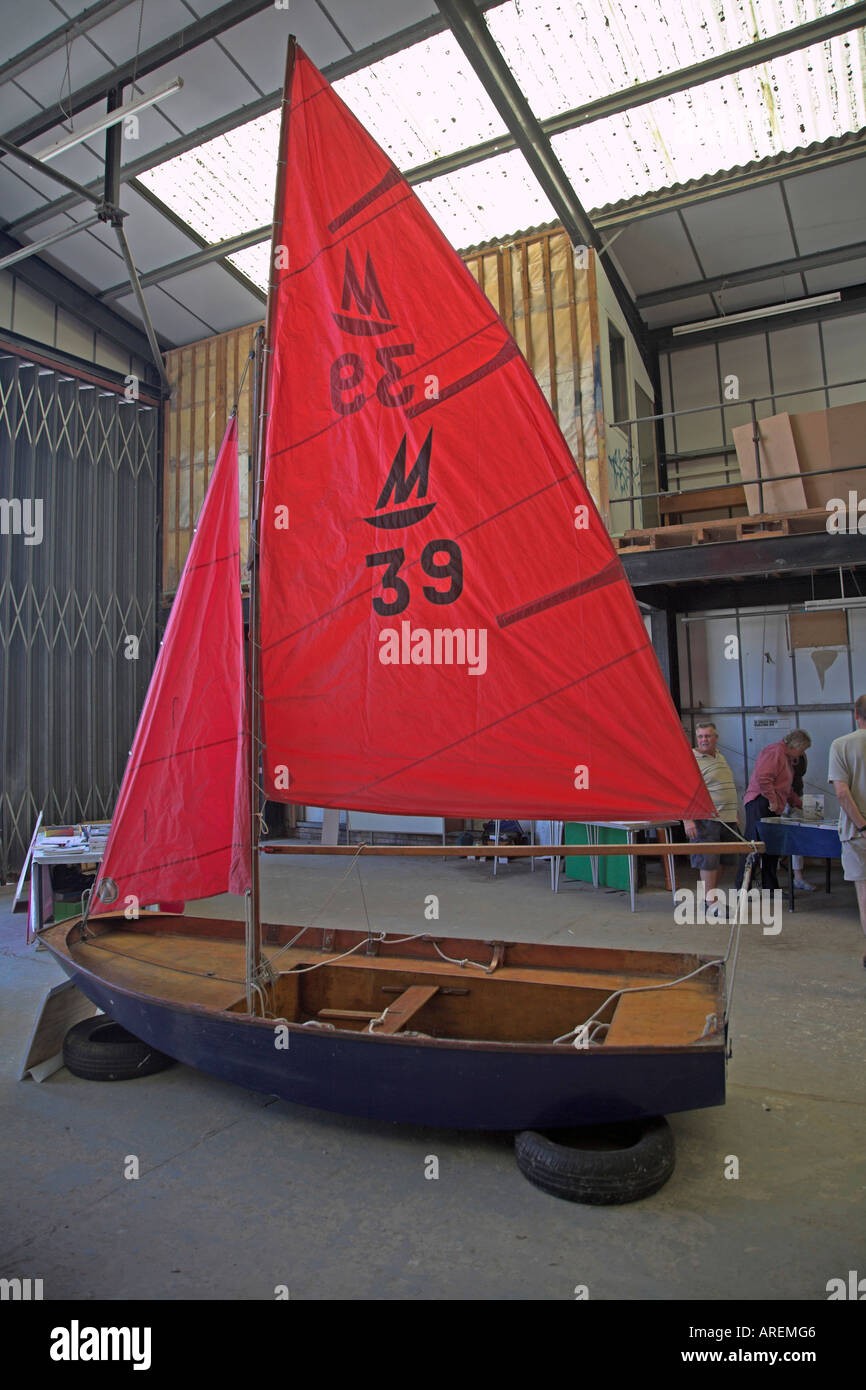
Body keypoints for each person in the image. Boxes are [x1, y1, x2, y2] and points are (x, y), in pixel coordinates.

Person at [736, 729, 812, 890]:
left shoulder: (787, 759)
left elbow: (785, 788)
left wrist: (799, 804)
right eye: (802, 749)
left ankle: (770, 887)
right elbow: (764, 778)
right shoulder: (775, 751)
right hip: (760, 802)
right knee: (753, 845)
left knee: (771, 848)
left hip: (773, 805)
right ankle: (742, 888)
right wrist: (772, 799)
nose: (801, 754)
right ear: (796, 745)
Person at [828, 695, 866, 967]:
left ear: (856, 714)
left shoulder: (841, 745)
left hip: (858, 833)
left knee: (865, 894)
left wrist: (863, 824)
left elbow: (842, 794)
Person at [684, 722, 740, 897]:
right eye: (700, 736)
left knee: (723, 859)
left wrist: (735, 813)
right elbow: (685, 790)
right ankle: (710, 901)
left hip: (727, 818)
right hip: (706, 819)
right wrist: (687, 820)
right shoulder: (691, 760)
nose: (704, 740)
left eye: (707, 736)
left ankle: (711, 896)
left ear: (716, 737)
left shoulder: (720, 757)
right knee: (708, 861)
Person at [790, 750, 815, 892]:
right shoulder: (780, 757)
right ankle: (768, 878)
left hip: (797, 797)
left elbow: (801, 774)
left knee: (797, 840)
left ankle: (798, 877)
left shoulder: (802, 758)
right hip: (781, 800)